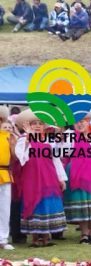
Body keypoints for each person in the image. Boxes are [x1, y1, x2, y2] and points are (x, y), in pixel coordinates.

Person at [13, 109, 68, 247]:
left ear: (44, 126)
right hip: (31, 177)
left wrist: (61, 178)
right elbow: (21, 157)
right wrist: (27, 139)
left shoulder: (49, 141)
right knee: (34, 203)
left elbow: (56, 160)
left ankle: (46, 236)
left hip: (49, 176)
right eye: (34, 123)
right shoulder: (23, 140)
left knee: (47, 203)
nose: (37, 126)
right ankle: (35, 238)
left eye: (40, 123)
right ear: (28, 126)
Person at [0, 107, 13, 250]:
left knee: (4, 208)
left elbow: (16, 155)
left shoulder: (8, 135)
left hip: (4, 173)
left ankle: (3, 239)